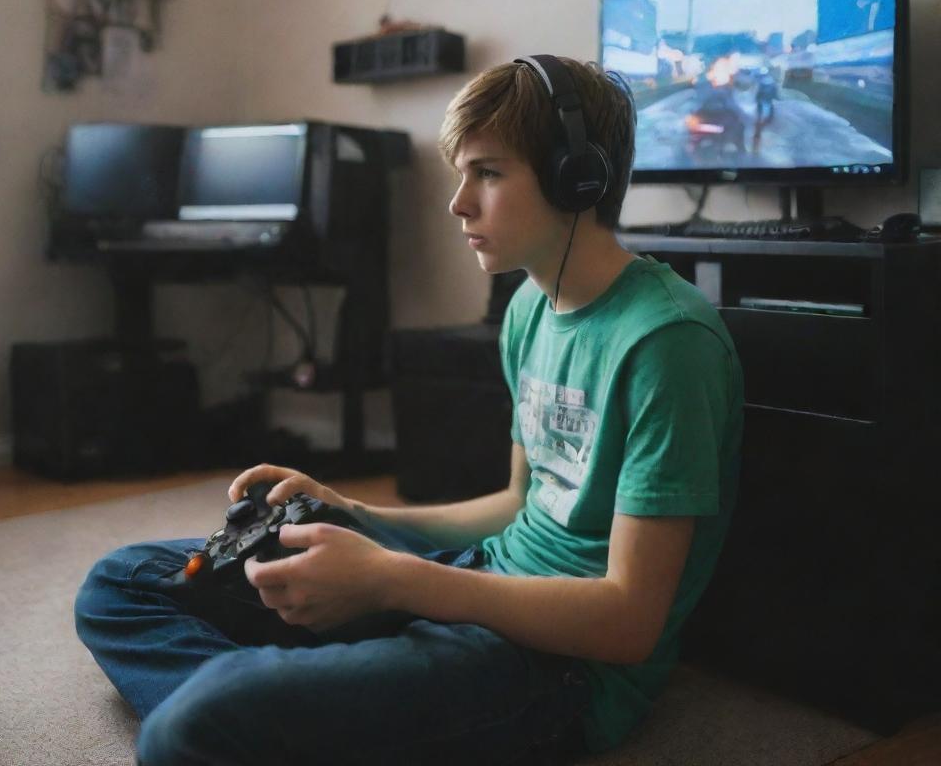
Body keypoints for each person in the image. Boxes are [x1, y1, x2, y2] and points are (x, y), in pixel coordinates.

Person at [75, 55, 744, 765]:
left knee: (187, 732)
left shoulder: (668, 343)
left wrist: (396, 580)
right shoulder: (529, 309)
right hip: (474, 575)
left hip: (557, 665)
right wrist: (359, 515)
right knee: (120, 585)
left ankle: (259, 709)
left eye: (487, 173)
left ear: (578, 177)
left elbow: (628, 624)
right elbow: (519, 504)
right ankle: (285, 712)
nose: (459, 202)